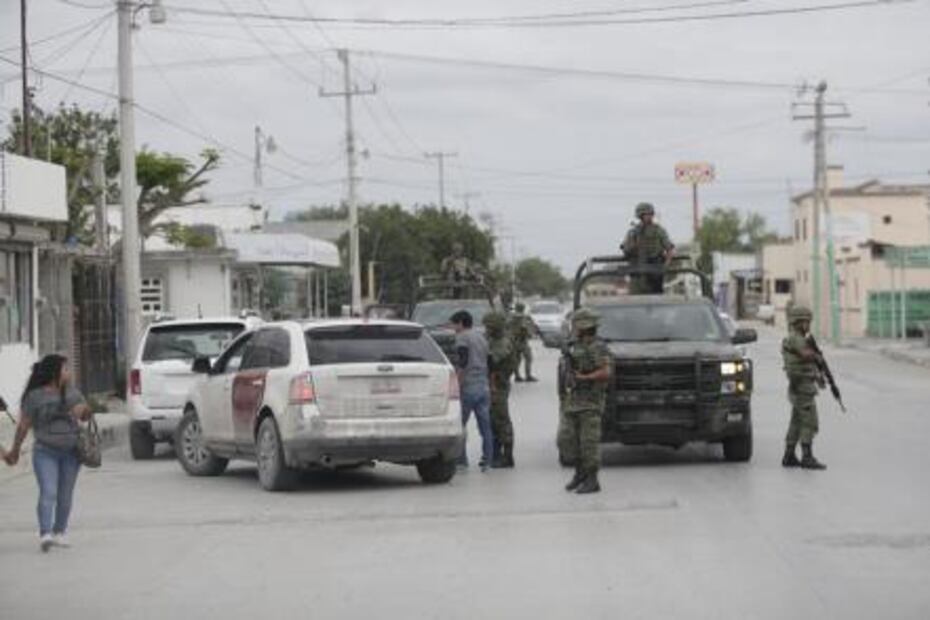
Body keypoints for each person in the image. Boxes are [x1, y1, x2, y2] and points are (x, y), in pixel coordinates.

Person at [3, 354, 92, 552]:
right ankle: (45, 533)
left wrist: (85, 411)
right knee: (48, 491)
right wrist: (15, 449)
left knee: (65, 495)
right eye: (65, 369)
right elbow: (24, 425)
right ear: (54, 372)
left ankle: (59, 532)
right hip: (45, 452)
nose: (69, 372)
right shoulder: (35, 396)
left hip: (71, 453)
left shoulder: (73, 393)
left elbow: (85, 416)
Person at [561, 308, 612, 494]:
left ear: (584, 327)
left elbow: (606, 372)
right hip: (574, 401)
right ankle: (579, 473)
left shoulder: (598, 347)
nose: (574, 329)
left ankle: (592, 480)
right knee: (568, 440)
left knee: (588, 443)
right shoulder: (576, 344)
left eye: (576, 326)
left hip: (591, 402)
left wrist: (585, 377)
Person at [781, 306, 828, 470]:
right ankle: (807, 457)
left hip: (800, 385)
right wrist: (817, 356)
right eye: (806, 322)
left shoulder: (796, 338)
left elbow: (804, 362)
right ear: (798, 322)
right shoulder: (796, 338)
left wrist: (818, 375)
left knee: (796, 421)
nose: (808, 325)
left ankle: (789, 455)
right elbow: (805, 354)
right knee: (810, 422)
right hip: (802, 387)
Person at [450, 310, 495, 471]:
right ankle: (488, 460)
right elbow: (491, 362)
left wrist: (456, 383)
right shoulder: (481, 337)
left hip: (468, 386)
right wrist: (491, 384)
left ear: (461, 323)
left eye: (454, 324)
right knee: (485, 427)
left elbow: (463, 361)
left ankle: (461, 461)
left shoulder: (462, 337)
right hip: (483, 386)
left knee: (460, 426)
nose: (453, 328)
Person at [483, 311, 517, 468]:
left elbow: (493, 361)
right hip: (492, 384)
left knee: (502, 420)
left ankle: (508, 457)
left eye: (489, 327)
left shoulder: (503, 342)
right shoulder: (492, 339)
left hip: (498, 385)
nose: (486, 329)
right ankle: (494, 454)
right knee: (492, 420)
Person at [621, 202, 675, 294]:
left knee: (656, 297)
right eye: (646, 214)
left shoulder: (658, 230)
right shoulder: (633, 232)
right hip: (637, 271)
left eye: (650, 214)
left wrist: (665, 266)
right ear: (640, 216)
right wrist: (634, 245)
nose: (649, 216)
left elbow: (669, 249)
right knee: (637, 297)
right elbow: (626, 251)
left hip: (655, 270)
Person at [509, 302, 538, 382]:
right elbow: (528, 327)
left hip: (514, 340)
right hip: (522, 340)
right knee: (528, 358)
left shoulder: (511, 317)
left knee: (517, 359)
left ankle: (517, 375)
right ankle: (527, 375)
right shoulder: (525, 317)